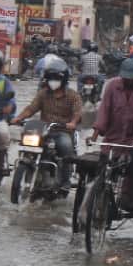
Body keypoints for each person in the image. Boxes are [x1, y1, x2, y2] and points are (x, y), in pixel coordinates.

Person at [12, 56, 82, 191]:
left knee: (66, 147)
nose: (52, 82)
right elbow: (31, 108)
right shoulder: (43, 93)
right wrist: (18, 118)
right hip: (44, 130)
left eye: (56, 79)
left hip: (62, 131)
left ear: (63, 80)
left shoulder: (73, 96)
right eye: (50, 78)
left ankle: (65, 181)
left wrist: (73, 123)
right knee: (27, 143)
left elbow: (77, 112)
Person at [88, 58, 133, 186]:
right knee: (102, 169)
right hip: (113, 137)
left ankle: (130, 194)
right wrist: (95, 135)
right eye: (125, 77)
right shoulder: (112, 85)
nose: (127, 80)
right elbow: (104, 109)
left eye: (131, 78)